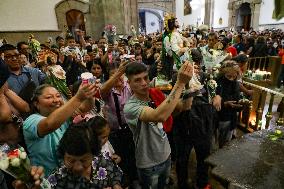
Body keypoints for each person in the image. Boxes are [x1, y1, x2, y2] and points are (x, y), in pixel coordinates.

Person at [123, 62, 193, 189]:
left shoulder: (155, 93)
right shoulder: (130, 107)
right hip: (149, 163)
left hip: (166, 155)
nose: (144, 83)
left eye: (146, 78)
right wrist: (180, 83)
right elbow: (158, 116)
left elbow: (183, 107)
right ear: (129, 83)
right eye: (137, 80)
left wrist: (189, 86)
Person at [23, 83, 97, 176]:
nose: (56, 100)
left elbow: (85, 107)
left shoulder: (64, 115)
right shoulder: (31, 121)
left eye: (58, 96)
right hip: (46, 179)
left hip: (67, 177)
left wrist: (90, 94)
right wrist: (78, 98)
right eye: (49, 97)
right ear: (36, 104)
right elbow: (49, 125)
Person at [47, 124, 123, 189]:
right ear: (63, 155)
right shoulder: (56, 179)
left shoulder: (103, 160)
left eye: (84, 160)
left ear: (94, 154)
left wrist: (116, 185)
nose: (78, 167)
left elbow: (116, 172)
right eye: (71, 161)